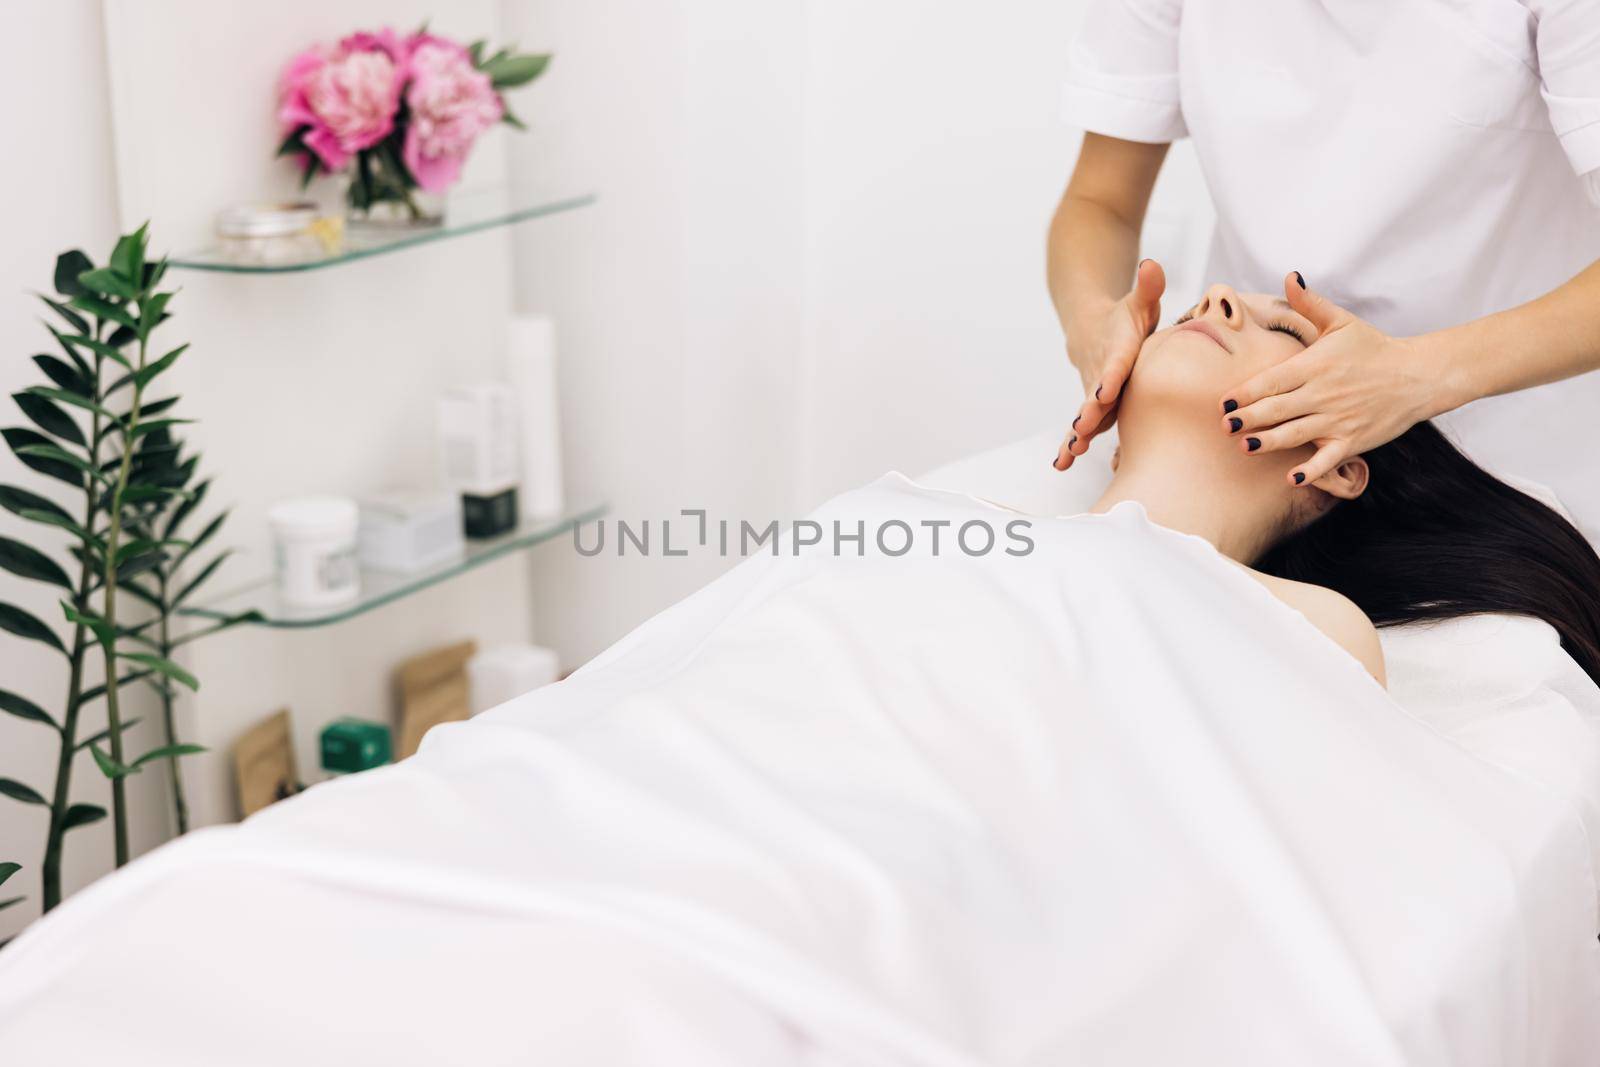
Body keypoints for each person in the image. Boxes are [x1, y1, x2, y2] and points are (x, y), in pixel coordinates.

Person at [1046, 0, 1600, 540]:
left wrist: (1422, 373)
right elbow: (1101, 203)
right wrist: (1094, 326)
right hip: (1266, 477)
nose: (1215, 297)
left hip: (1517, 467)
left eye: (1284, 325)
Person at [1086, 282, 1600, 685]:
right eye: (1181, 317)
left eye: (1286, 332)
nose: (1213, 296)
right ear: (1114, 448)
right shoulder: (1003, 534)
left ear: (1338, 467)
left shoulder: (1311, 630)